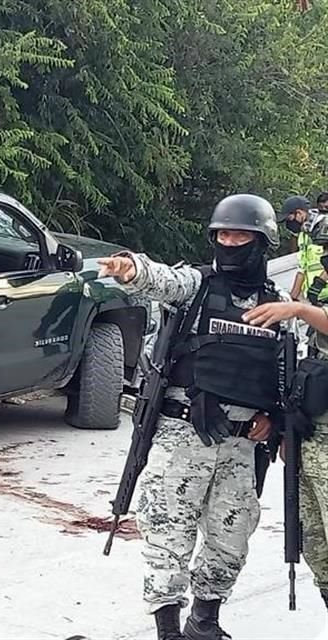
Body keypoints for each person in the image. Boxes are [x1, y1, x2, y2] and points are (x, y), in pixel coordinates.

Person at [99, 194, 288, 640]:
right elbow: (159, 279)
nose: (230, 242)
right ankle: (168, 631)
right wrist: (130, 268)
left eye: (241, 234)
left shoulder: (276, 304)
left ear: (262, 242)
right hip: (182, 435)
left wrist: (274, 419)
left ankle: (205, 623)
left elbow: (284, 372)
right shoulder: (196, 286)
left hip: (242, 445)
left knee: (232, 539)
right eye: (223, 234)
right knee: (168, 536)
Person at [243, 278, 328, 640]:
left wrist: (298, 309)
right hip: (310, 440)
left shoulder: (309, 307)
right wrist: (286, 427)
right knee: (314, 546)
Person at [278, 195, 328, 305]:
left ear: (299, 213)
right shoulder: (304, 236)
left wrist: (319, 283)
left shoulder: (324, 227)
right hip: (318, 298)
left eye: (290, 219)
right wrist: (291, 300)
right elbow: (302, 270)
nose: (289, 224)